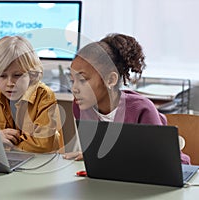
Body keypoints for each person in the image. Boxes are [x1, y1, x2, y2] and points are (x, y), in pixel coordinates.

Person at [63, 33, 191, 164]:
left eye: (83, 80)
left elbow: (161, 162)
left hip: (175, 170)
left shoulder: (141, 109)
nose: (74, 88)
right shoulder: (80, 106)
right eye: (72, 80)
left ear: (110, 80)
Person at [0, 36, 63, 153]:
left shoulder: (44, 96)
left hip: (39, 165)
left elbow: (43, 144)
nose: (10, 83)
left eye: (17, 75)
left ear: (32, 74)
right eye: (2, 76)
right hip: (2, 163)